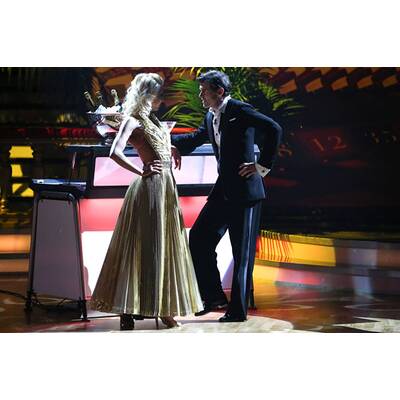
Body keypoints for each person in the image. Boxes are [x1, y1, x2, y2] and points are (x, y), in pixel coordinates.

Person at [90, 73, 203, 329]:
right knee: (146, 247)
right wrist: (140, 170)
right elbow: (115, 152)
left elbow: (160, 146)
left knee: (166, 246)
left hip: (166, 188)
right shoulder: (132, 120)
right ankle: (130, 309)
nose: (161, 99)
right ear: (147, 95)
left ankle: (163, 308)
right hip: (150, 189)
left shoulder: (154, 120)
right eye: (158, 94)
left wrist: (171, 148)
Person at [171, 70, 282, 322]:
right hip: (223, 191)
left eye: (204, 91)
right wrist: (170, 142)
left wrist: (261, 166)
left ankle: (238, 311)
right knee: (199, 238)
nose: (200, 95)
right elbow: (196, 138)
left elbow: (274, 129)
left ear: (219, 91)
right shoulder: (211, 115)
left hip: (246, 192)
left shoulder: (239, 110)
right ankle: (213, 297)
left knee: (241, 253)